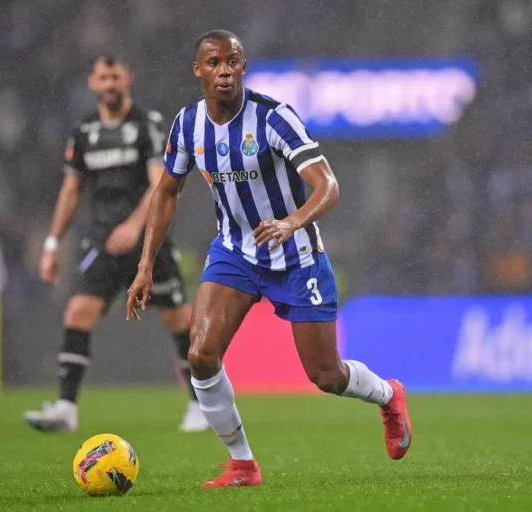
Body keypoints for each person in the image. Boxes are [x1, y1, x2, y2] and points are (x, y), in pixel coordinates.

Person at [126, 30, 413, 488]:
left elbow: (329, 186)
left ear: (244, 67)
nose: (224, 70)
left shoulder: (274, 118)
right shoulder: (187, 125)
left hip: (296, 256)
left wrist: (291, 222)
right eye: (214, 62)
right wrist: (144, 265)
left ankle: (388, 396)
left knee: (326, 374)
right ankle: (243, 464)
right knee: (201, 355)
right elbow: (166, 192)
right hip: (235, 253)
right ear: (198, 70)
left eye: (232, 62)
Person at [24, 55, 208, 433]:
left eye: (116, 77)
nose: (110, 84)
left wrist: (133, 226)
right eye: (103, 77)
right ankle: (66, 409)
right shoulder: (84, 133)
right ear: (93, 83)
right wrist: (52, 245)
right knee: (77, 312)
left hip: (148, 243)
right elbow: (70, 191)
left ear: (129, 79)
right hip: (102, 241)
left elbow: (162, 183)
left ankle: (200, 406)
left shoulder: (148, 125)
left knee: (178, 320)